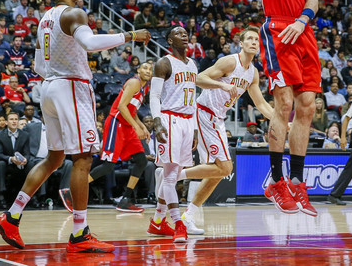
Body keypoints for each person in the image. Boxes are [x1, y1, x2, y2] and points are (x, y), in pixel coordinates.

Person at [0, 0, 150, 253]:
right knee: (84, 158)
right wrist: (130, 35)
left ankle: (11, 216)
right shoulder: (74, 12)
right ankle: (79, 233)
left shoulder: (45, 19)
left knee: (54, 157)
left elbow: (39, 64)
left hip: (49, 87)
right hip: (70, 87)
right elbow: (89, 44)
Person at [250, 0, 322, 216]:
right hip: (277, 28)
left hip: (303, 31)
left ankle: (297, 182)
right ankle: (275, 181)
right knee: (284, 104)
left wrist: (304, 20)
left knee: (307, 107)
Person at [172, 27, 274, 235]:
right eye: (250, 39)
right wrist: (222, 87)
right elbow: (198, 79)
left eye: (257, 39)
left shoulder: (253, 73)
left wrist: (281, 121)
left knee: (218, 172)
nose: (254, 42)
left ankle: (187, 216)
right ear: (241, 43)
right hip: (204, 111)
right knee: (225, 168)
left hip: (217, 118)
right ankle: (172, 176)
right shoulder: (230, 62)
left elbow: (261, 104)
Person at [65, 62, 153, 214]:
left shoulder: (144, 88)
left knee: (141, 161)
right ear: (138, 69)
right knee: (108, 166)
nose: (148, 71)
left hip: (127, 126)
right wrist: (136, 127)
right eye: (145, 67)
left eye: (151, 69)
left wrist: (142, 125)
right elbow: (121, 107)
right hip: (116, 123)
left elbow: (132, 111)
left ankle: (125, 200)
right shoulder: (134, 82)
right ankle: (71, 193)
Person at [147, 27, 198, 243]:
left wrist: (195, 127)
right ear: (169, 40)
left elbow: (193, 99)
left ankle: (158, 222)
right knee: (170, 176)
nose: (184, 35)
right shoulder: (164, 63)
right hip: (170, 119)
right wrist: (157, 124)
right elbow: (155, 95)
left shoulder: (193, 64)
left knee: (174, 174)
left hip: (187, 121)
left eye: (186, 32)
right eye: (178, 33)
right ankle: (179, 224)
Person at [0, 113, 31, 207]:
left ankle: (31, 196)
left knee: (31, 164)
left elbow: (27, 153)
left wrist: (25, 159)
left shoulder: (25, 135)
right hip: (7, 163)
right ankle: (1, 196)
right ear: (6, 122)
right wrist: (11, 159)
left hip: (20, 163)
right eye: (11, 119)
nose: (14, 121)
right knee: (1, 163)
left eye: (16, 119)